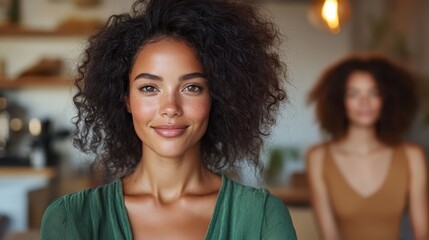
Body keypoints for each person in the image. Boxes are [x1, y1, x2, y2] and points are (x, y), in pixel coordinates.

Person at [40, 0, 297, 239]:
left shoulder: (263, 217)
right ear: (126, 99)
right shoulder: (69, 219)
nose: (170, 108)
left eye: (192, 87)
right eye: (149, 88)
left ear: (216, 96)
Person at [306, 54, 428, 240]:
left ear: (386, 99)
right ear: (340, 101)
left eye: (374, 92)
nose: (364, 101)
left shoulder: (412, 155)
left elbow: (423, 233)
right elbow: (329, 236)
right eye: (353, 94)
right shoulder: (318, 157)